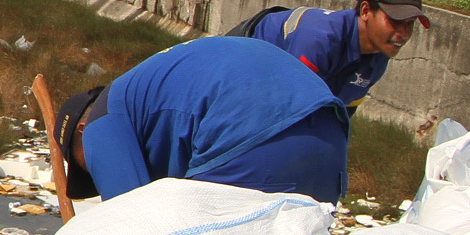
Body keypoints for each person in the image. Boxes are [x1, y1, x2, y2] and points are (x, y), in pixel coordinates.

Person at [47, 36, 352, 206]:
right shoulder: (146, 91)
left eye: (89, 168)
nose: (100, 175)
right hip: (329, 134)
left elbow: (130, 222)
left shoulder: (102, 119)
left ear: (82, 133)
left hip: (255, 140)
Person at [228, 0, 431, 106]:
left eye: (410, 24)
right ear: (366, 10)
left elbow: (341, 117)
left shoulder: (378, 58)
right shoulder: (320, 39)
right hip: (235, 64)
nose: (403, 34)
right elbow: (284, 111)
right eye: (395, 21)